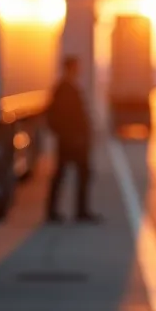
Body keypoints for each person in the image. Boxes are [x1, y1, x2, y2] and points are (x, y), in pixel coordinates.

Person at [45, 56, 100, 223]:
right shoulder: (64, 89)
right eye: (76, 67)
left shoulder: (67, 88)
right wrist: (70, 135)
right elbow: (58, 117)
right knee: (68, 174)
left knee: (76, 174)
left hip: (73, 139)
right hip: (71, 141)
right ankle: (65, 212)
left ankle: (75, 211)